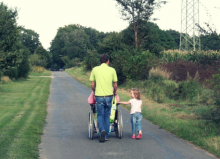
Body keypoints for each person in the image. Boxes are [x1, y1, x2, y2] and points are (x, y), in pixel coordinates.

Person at [89, 54, 118, 142]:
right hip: (109, 96)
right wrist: (114, 92)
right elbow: (115, 84)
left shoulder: (95, 69)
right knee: (107, 115)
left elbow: (92, 84)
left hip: (99, 96)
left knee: (100, 114)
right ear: (108, 61)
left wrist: (94, 91)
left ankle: (102, 130)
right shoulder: (112, 70)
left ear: (100, 61)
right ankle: (106, 135)